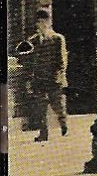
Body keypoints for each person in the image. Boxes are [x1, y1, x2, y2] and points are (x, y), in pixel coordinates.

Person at [21, 9, 69, 140]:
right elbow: (27, 57)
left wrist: (60, 75)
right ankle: (43, 133)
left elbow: (62, 60)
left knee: (57, 104)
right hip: (39, 78)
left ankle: (64, 125)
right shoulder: (34, 40)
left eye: (43, 22)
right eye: (38, 22)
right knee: (40, 107)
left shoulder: (57, 38)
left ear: (48, 22)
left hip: (53, 78)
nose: (40, 25)